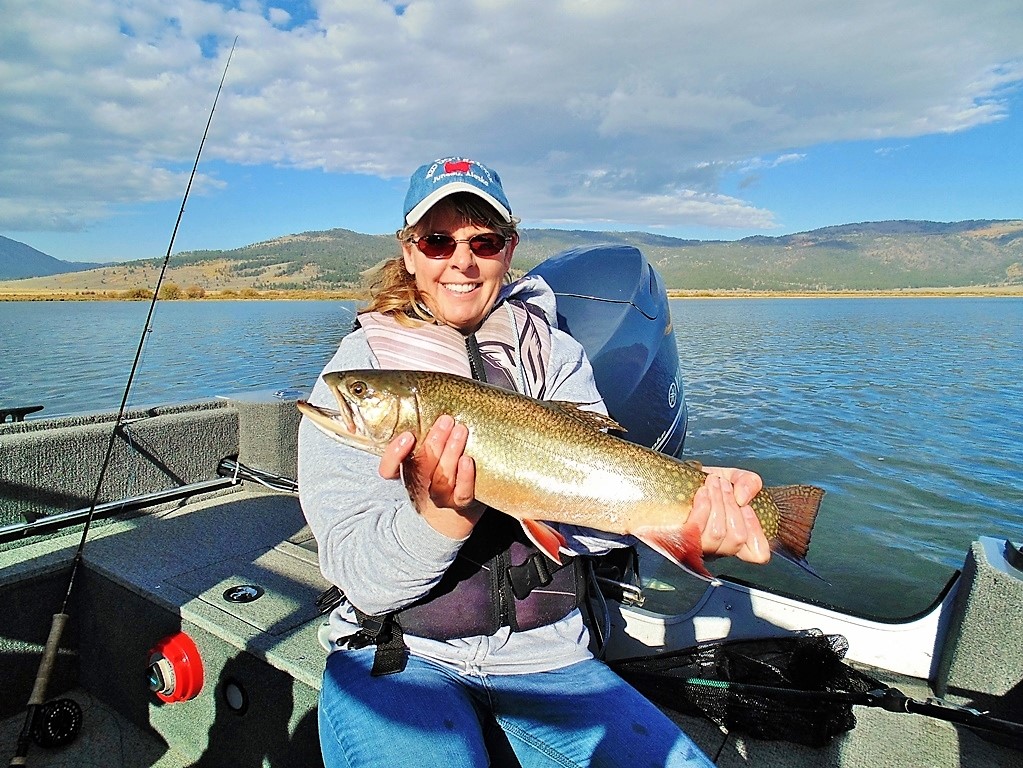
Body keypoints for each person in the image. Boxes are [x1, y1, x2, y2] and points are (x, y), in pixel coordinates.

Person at [298, 156, 770, 768]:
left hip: (552, 658)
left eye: (483, 242)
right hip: (397, 653)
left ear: (509, 249)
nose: (461, 261)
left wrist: (695, 519)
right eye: (438, 241)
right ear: (409, 252)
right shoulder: (355, 371)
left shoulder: (555, 356)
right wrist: (441, 519)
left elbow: (592, 527)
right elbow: (359, 577)